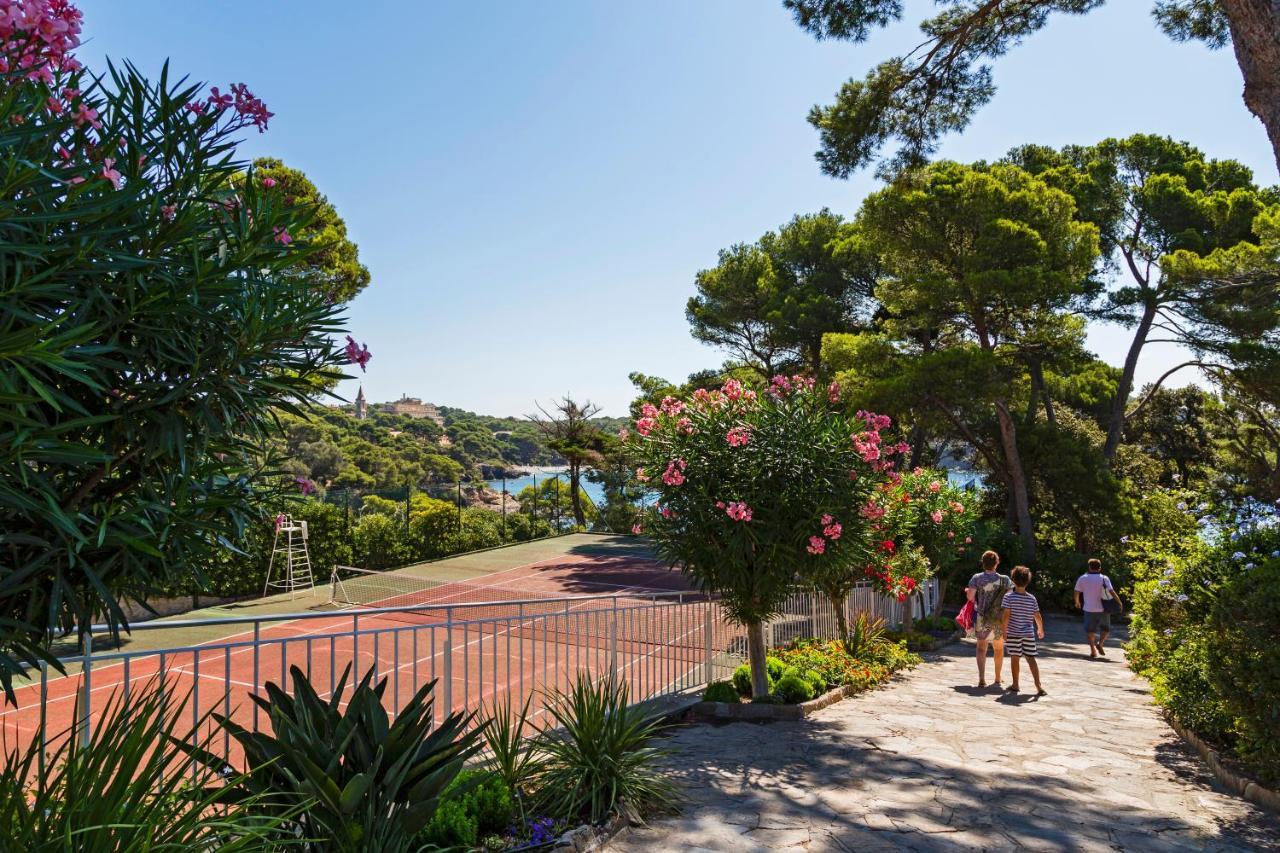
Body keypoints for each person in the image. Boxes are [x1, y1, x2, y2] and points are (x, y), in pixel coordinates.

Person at [966, 550, 1013, 688]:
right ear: (997, 563)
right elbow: (1009, 598)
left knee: (981, 648)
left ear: (983, 563)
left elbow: (970, 597)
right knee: (998, 649)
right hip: (998, 619)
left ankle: (981, 678)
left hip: (982, 617)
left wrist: (970, 594)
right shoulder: (1005, 580)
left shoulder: (977, 578)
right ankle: (997, 678)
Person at [1001, 566, 1046, 696]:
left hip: (1014, 634)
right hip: (1028, 634)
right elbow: (1037, 615)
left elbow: (1006, 616)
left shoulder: (1008, 597)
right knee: (1031, 658)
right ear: (1028, 581)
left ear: (1013, 580)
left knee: (1015, 658)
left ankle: (1016, 684)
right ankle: (1038, 686)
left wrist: (1004, 630)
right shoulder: (1032, 598)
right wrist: (1040, 629)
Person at [1074, 558, 1122, 658]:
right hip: (1104, 608)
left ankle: (1093, 650)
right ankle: (1100, 643)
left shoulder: (1083, 578)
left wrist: (1077, 602)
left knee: (1090, 631)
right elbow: (1111, 591)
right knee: (1106, 629)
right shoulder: (1104, 578)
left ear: (1089, 567)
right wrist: (1119, 602)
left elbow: (1077, 591)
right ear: (1100, 568)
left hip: (1089, 608)